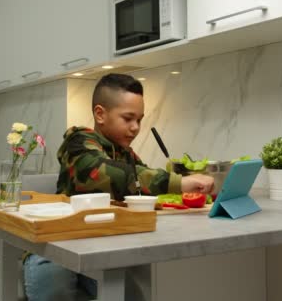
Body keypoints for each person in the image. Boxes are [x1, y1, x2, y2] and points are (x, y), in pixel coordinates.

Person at [23, 73, 215, 301]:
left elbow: (143, 187)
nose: (135, 127)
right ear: (100, 114)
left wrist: (193, 196)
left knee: (134, 294)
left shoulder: (127, 154)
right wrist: (178, 183)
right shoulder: (78, 142)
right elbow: (102, 173)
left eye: (140, 120)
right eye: (128, 118)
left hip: (101, 246)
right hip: (55, 245)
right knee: (55, 285)